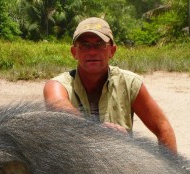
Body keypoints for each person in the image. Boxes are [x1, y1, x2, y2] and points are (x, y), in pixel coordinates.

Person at [43, 17, 177, 153]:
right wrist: (99, 129)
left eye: (100, 44)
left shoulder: (130, 84)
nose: (92, 52)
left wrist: (172, 172)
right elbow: (59, 108)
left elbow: (163, 128)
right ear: (74, 52)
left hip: (121, 168)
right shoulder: (57, 86)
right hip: (75, 169)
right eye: (84, 45)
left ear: (112, 51)